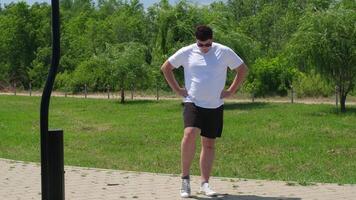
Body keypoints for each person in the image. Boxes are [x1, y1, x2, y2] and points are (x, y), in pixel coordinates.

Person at [161, 25, 248, 198]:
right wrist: (178, 89)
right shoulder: (187, 52)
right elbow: (166, 68)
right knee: (189, 134)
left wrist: (231, 91)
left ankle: (205, 184)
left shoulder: (224, 52)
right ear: (196, 41)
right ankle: (185, 180)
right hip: (193, 102)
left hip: (215, 105)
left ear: (212, 39)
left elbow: (242, 69)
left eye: (207, 44)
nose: (204, 48)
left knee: (208, 143)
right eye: (201, 45)